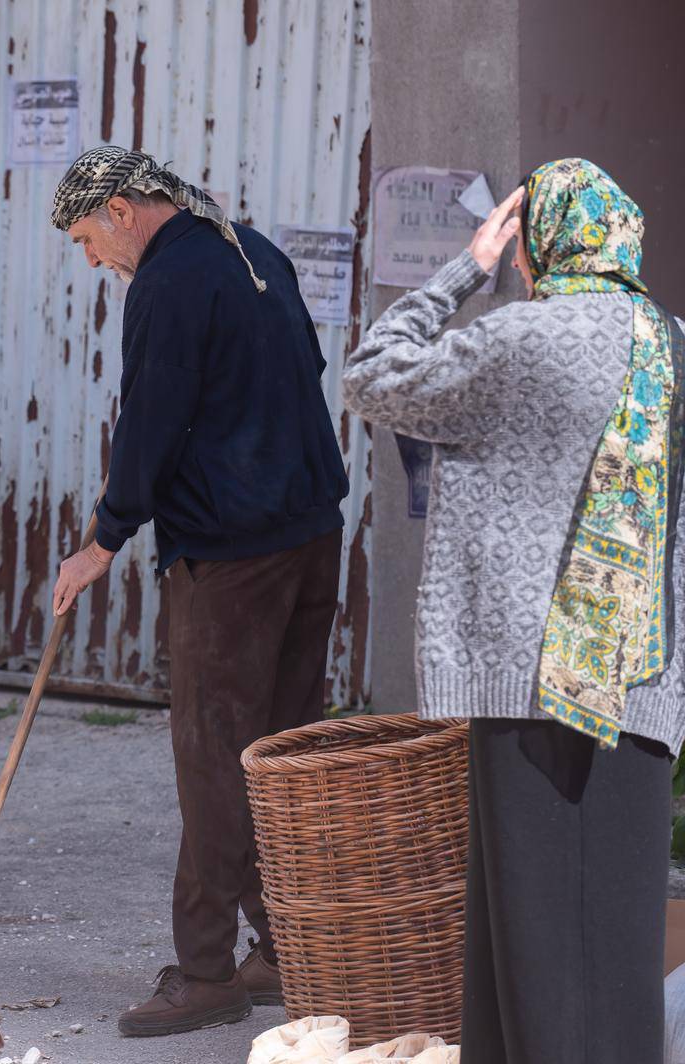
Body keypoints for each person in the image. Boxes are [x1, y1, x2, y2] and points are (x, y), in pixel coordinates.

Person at [344, 159, 683, 1063]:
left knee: (524, 939)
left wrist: (465, 269)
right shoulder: (674, 345)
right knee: (608, 949)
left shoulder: (518, 340)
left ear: (537, 244)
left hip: (525, 679)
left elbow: (373, 375)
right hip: (638, 681)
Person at [47, 146, 350, 1037]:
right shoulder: (253, 250)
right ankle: (289, 951)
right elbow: (307, 377)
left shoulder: (170, 282)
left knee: (219, 760)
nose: (91, 260)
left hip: (232, 553)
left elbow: (152, 420)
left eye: (85, 238)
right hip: (311, 532)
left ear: (124, 212)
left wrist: (103, 538)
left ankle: (209, 970)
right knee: (280, 752)